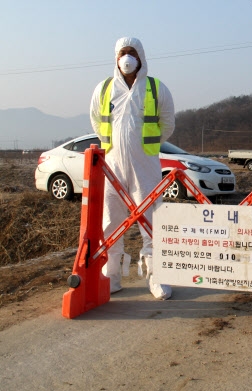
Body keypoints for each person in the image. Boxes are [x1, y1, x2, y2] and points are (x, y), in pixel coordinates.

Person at [89, 37, 175, 299]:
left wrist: (144, 148)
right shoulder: (104, 89)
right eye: (122, 53)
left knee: (151, 221)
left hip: (145, 166)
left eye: (132, 52)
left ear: (141, 56)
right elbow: (95, 121)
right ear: (116, 58)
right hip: (112, 166)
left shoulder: (155, 88)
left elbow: (168, 124)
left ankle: (156, 277)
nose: (127, 58)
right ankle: (112, 276)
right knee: (111, 222)